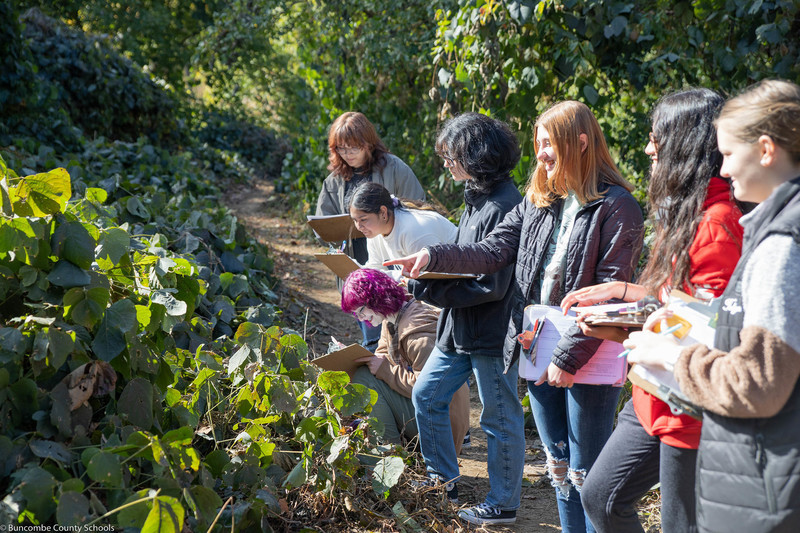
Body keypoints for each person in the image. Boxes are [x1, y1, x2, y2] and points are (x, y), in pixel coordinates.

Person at [388, 101, 644, 531]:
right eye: (539, 143)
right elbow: (490, 251)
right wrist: (433, 255)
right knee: (559, 463)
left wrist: (568, 357)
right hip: (537, 343)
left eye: (549, 144)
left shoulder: (617, 207)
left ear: (579, 142)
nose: (540, 153)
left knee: (588, 472)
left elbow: (608, 293)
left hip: (588, 352)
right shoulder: (539, 201)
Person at [560, 89, 743, 533]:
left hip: (687, 404)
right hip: (650, 392)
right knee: (600, 496)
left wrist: (638, 327)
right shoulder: (686, 212)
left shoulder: (718, 223)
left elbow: (712, 330)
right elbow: (673, 300)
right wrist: (618, 306)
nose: (647, 149)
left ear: (684, 144)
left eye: (655, 138)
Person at [621, 79, 800, 533]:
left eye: (727, 154)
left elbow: (757, 382)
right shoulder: (770, 228)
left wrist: (670, 353)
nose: (720, 169)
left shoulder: (779, 245)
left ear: (765, 150)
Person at [396, 112, 523, 522]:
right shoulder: (476, 198)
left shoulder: (506, 205)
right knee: (427, 395)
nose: (447, 163)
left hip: (491, 331)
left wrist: (424, 287)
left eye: (453, 155)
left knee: (498, 418)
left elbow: (492, 284)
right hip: (458, 328)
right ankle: (441, 480)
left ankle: (503, 502)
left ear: (478, 155)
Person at [315, 111, 425, 351]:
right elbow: (322, 223)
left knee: (403, 322)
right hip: (357, 260)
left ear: (368, 144)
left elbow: (418, 206)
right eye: (342, 149)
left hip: (392, 256)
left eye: (353, 148)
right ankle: (378, 367)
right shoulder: (335, 180)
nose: (348, 155)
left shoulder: (394, 168)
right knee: (372, 328)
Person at [339, 268, 470, 452]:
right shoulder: (391, 318)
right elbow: (383, 356)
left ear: (375, 299)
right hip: (427, 416)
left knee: (365, 379)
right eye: (356, 315)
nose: (361, 318)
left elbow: (430, 390)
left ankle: (390, 456)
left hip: (442, 428)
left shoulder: (418, 335)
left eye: (360, 311)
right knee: (366, 374)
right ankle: (395, 451)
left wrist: (385, 370)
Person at [346, 181, 457, 272]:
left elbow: (427, 279)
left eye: (363, 220)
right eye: (355, 220)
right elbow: (376, 269)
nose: (359, 226)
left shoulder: (414, 230)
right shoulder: (375, 232)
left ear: (383, 213)